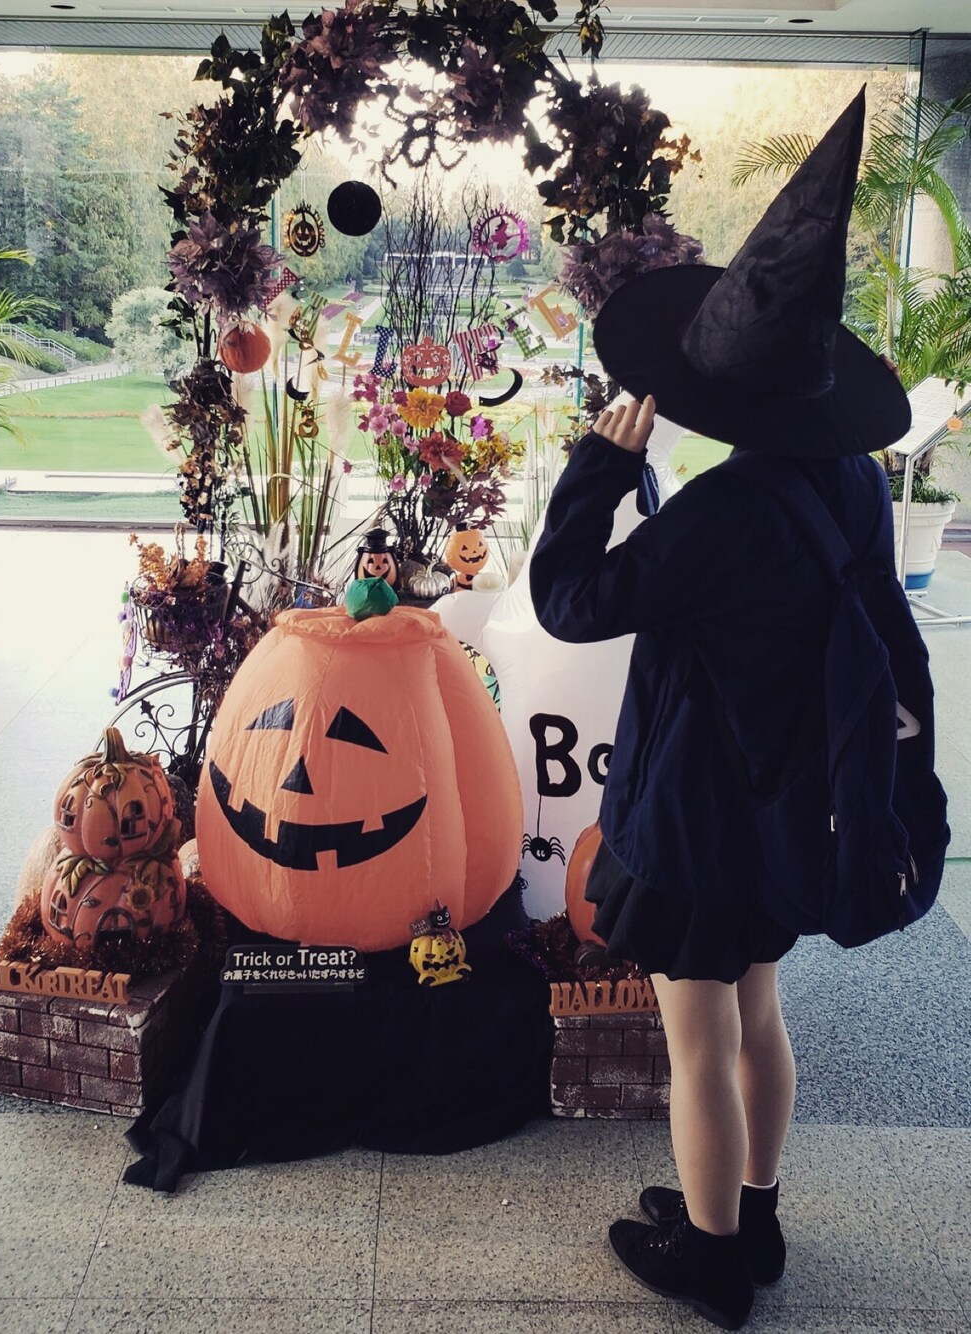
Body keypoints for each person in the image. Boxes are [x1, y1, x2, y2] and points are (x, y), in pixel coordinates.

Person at [529, 88, 913, 1331]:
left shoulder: (721, 514)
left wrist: (599, 466)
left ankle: (710, 1262)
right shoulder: (849, 484)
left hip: (697, 814)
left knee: (694, 1034)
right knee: (757, 1006)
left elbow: (570, 600)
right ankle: (753, 1209)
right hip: (793, 799)